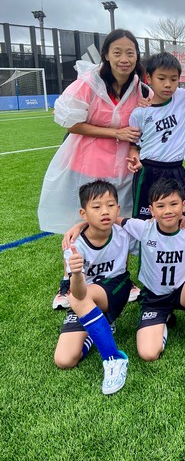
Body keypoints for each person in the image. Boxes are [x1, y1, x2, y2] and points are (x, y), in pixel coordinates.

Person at [39, 29, 147, 309]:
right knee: (84, 221)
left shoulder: (139, 86)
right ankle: (68, 282)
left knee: (118, 219)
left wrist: (132, 149)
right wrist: (115, 133)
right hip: (88, 161)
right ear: (106, 55)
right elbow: (71, 123)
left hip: (122, 166)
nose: (124, 59)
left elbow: (140, 125)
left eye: (130, 53)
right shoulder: (89, 82)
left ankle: (120, 277)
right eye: (117, 52)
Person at [120, 178, 185, 358]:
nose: (168, 211)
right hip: (154, 298)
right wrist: (81, 226)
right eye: (160, 206)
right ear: (151, 210)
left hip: (183, 293)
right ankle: (164, 319)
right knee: (148, 354)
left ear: (183, 205)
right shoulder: (143, 228)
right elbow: (113, 220)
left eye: (174, 204)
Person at [54, 181, 131, 395]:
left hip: (116, 288)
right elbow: (79, 292)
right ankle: (101, 325)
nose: (105, 211)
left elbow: (156, 227)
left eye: (110, 205)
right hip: (84, 297)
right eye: (96, 207)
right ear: (84, 213)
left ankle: (113, 358)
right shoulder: (74, 245)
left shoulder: (125, 232)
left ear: (118, 208)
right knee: (65, 359)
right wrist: (77, 273)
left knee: (77, 298)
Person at [127, 52, 185, 220]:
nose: (168, 84)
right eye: (161, 78)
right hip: (148, 171)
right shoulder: (139, 113)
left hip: (176, 170)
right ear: (149, 78)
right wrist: (134, 158)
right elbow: (134, 146)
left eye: (173, 79)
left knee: (184, 220)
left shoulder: (183, 96)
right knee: (145, 222)